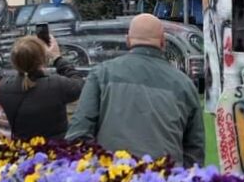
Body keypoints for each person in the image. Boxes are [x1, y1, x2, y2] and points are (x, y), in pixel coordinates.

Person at [67, 14, 203, 166]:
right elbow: (195, 151)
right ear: (163, 42)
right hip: (166, 181)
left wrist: (98, 170)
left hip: (113, 179)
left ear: (128, 40)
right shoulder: (184, 84)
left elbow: (78, 134)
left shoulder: (102, 74)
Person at [0, 35, 85, 140]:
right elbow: (79, 83)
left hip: (22, 149)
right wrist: (57, 58)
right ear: (43, 59)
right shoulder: (56, 85)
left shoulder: (3, 88)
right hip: (55, 150)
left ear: (14, 61)